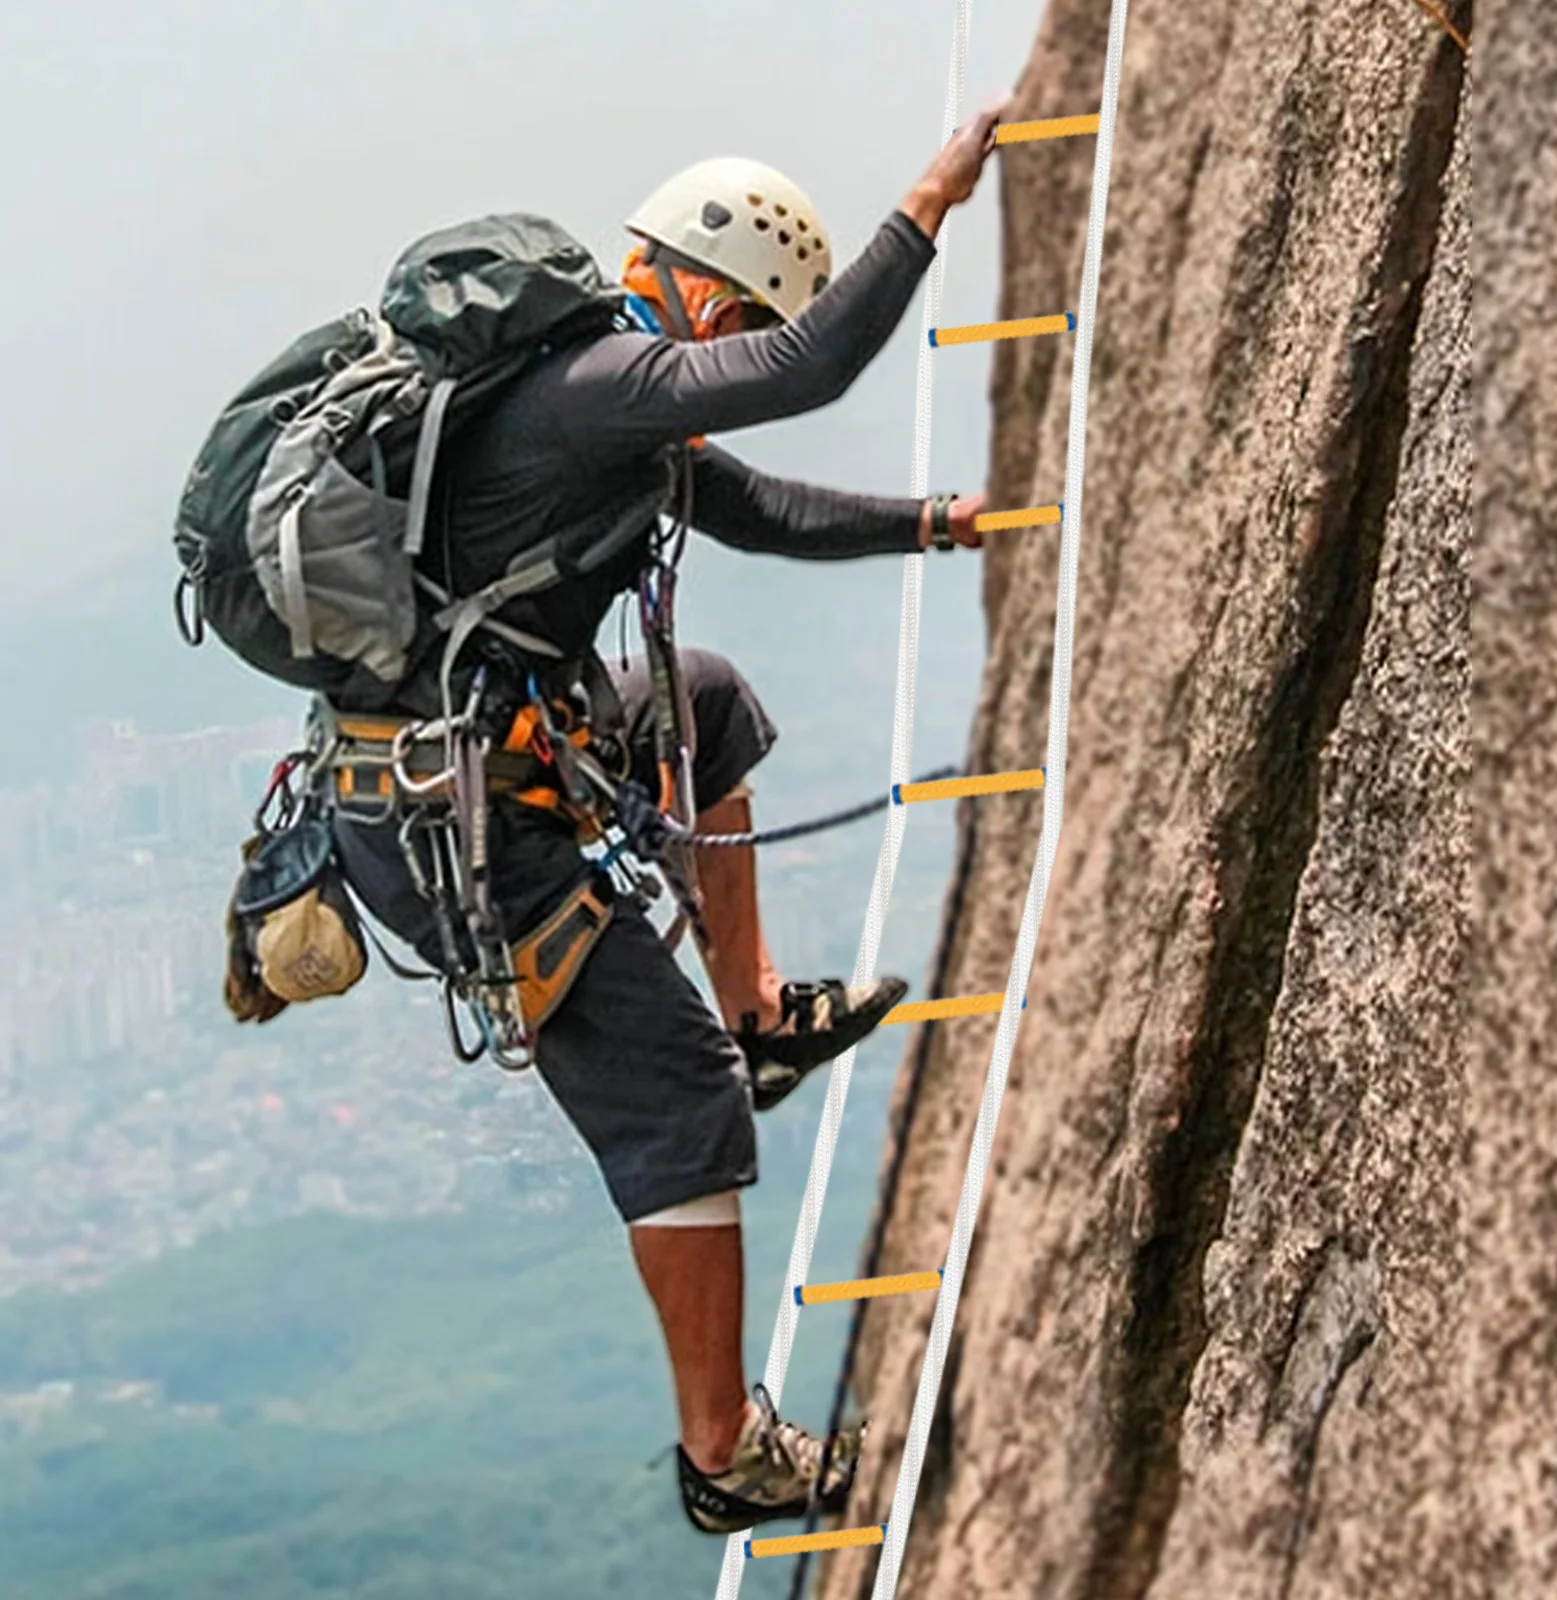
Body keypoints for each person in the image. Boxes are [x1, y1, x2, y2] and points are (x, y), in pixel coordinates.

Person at [332, 100, 1007, 1535]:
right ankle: (723, 1456)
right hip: (461, 830)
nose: (722, 359)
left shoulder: (604, 411)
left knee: (700, 702)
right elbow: (808, 369)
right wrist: (930, 200)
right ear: (705, 292)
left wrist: (935, 521)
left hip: (468, 772)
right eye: (734, 322)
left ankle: (758, 1011)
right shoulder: (600, 382)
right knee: (681, 1106)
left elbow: (759, 510)